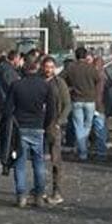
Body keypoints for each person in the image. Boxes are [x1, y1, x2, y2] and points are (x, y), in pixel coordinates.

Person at [3, 55, 58, 206]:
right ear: (37, 68)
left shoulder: (16, 85)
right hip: (38, 127)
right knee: (38, 162)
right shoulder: (45, 86)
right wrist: (45, 124)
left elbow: (8, 109)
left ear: (24, 68)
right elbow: (51, 110)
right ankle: (39, 195)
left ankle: (21, 195)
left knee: (20, 162)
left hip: (20, 127)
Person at [63, 47, 105, 162]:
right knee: (87, 125)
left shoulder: (71, 68)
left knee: (78, 126)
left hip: (76, 100)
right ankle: (83, 147)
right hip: (90, 100)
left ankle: (83, 152)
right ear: (85, 56)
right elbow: (98, 79)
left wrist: (71, 87)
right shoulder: (91, 68)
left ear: (76, 56)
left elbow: (62, 79)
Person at [43, 55, 70, 204]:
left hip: (54, 125)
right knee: (37, 159)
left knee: (55, 160)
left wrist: (59, 122)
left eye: (51, 67)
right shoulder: (39, 82)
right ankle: (38, 190)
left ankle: (56, 191)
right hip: (39, 125)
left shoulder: (60, 83)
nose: (49, 70)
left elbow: (67, 104)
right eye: (47, 67)